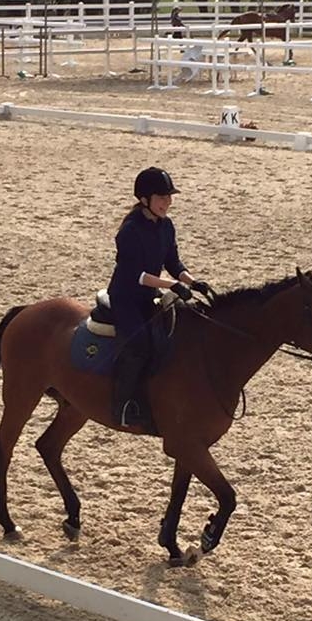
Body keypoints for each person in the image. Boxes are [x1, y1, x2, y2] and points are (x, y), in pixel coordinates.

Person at [107, 167, 212, 428]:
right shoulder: (129, 231)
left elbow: (173, 262)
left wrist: (192, 281)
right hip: (126, 297)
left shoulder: (166, 226)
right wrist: (173, 286)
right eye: (162, 198)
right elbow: (138, 275)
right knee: (140, 344)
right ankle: (124, 405)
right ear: (145, 199)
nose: (168, 203)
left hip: (149, 295)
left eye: (169, 197)